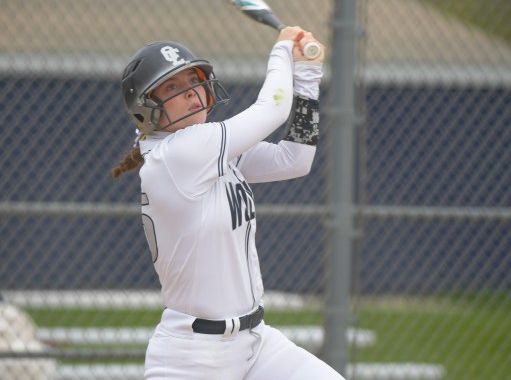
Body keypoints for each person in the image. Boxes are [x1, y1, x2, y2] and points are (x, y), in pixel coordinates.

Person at [112, 26, 345, 380]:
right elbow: (273, 109)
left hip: (256, 342)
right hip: (194, 358)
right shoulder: (179, 153)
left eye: (194, 80)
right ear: (147, 109)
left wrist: (308, 79)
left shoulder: (207, 150)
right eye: (173, 87)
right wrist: (283, 49)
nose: (192, 92)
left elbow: (294, 159)